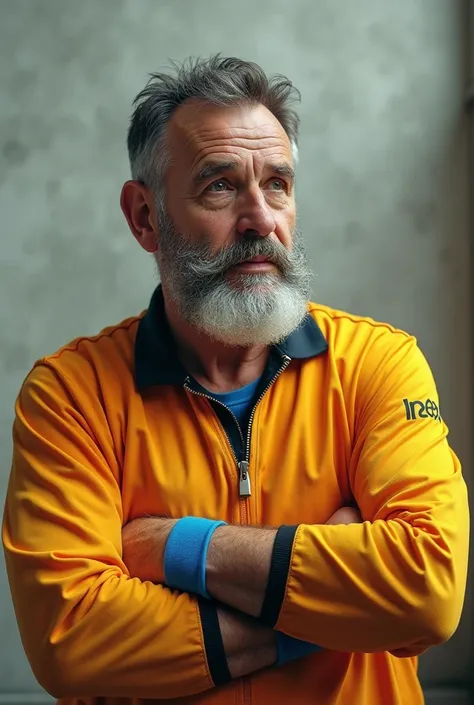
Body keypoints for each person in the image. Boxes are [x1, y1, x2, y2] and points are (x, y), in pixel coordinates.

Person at [2, 55, 469, 705]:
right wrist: (330, 603)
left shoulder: (378, 365)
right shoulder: (70, 396)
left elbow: (426, 593)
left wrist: (183, 549)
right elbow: (71, 638)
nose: (260, 220)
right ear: (144, 216)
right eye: (219, 186)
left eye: (277, 184)